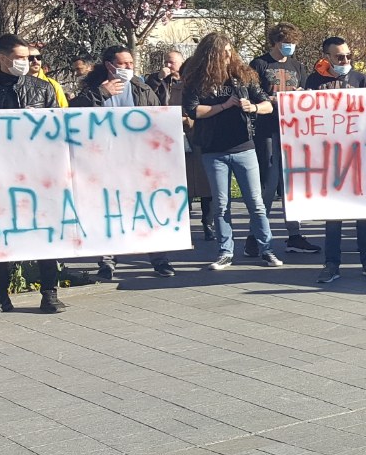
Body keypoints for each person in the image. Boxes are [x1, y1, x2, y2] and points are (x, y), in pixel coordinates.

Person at [0, 35, 68, 315]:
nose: (27, 62)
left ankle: (50, 293)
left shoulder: (43, 89)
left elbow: (57, 129)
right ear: (2, 58)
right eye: (20, 57)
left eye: (27, 57)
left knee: (44, 231)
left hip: (38, 174)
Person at [71, 45, 178, 280]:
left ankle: (159, 260)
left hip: (138, 162)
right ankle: (107, 261)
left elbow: (156, 118)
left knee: (147, 209)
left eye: (131, 63)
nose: (129, 68)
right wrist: (101, 93)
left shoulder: (141, 88)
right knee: (107, 211)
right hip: (103, 163)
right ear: (110, 66)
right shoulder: (92, 89)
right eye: (124, 64)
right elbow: (74, 113)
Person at [183, 33, 282, 271]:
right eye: (222, 52)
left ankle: (266, 248)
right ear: (210, 54)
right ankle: (225, 251)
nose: (227, 56)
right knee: (221, 204)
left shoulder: (243, 75)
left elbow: (268, 104)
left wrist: (255, 106)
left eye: (230, 51)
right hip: (213, 149)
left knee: (256, 202)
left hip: (243, 147)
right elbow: (193, 110)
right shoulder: (197, 79)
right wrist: (224, 105)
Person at [302, 37, 366, 282]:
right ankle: (331, 263)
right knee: (334, 214)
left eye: (349, 56)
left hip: (359, 156)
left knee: (364, 214)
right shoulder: (315, 81)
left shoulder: (360, 80)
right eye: (339, 57)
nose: (345, 60)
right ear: (326, 58)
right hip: (329, 157)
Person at [249, 23, 320, 255]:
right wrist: (277, 98)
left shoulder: (297, 66)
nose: (290, 47)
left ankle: (295, 235)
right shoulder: (259, 64)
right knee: (268, 185)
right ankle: (255, 235)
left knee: (292, 184)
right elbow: (254, 94)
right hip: (267, 130)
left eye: (293, 42)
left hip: (292, 131)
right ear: (275, 42)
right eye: (285, 42)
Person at [146, 47, 214, 239]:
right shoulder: (159, 81)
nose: (168, 65)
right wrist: (159, 78)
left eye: (172, 62)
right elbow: (148, 96)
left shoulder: (195, 85)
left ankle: (207, 223)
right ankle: (181, 223)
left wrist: (187, 120)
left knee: (203, 183)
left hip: (195, 135)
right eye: (166, 62)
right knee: (179, 182)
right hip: (171, 137)